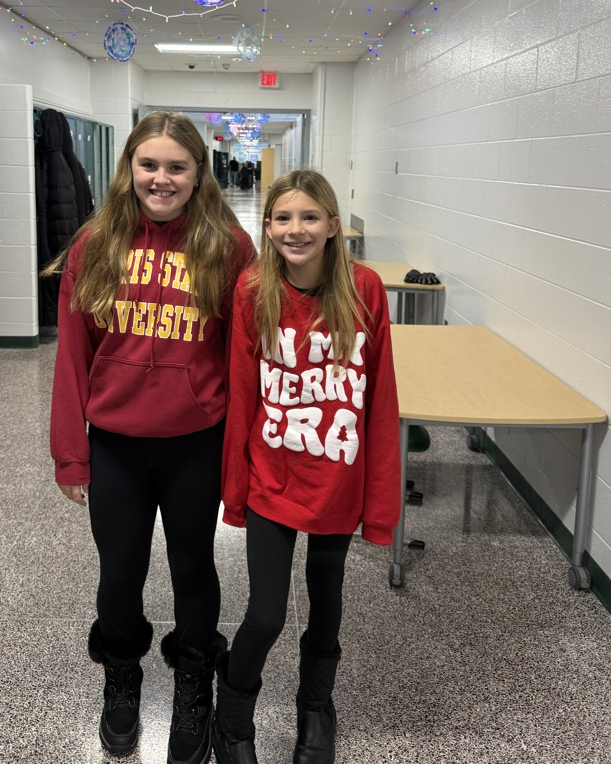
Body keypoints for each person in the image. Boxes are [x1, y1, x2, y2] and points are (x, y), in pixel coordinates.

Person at [47, 111, 254, 763]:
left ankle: (195, 680)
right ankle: (121, 673)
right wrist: (70, 456)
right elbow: (73, 356)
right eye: (149, 164)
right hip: (115, 445)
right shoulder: (96, 243)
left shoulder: (227, 245)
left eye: (176, 167)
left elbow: (242, 360)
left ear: (198, 174)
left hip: (196, 441)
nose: (161, 179)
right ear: (129, 168)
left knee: (194, 568)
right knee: (120, 572)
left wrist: (242, 457)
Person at [213, 169, 401, 764]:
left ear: (333, 225)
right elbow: (241, 395)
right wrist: (235, 495)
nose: (297, 229)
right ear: (267, 228)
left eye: (310, 217)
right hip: (273, 477)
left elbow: (381, 400)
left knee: (326, 605)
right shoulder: (253, 289)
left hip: (336, 480)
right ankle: (231, 718)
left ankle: (316, 707)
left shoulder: (365, 289)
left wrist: (380, 508)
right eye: (283, 218)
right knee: (265, 615)